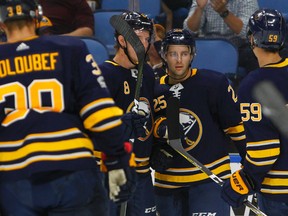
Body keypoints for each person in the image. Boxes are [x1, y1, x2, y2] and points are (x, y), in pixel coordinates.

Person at [0, 0, 136, 215]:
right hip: (72, 169)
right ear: (37, 18)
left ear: (1, 25)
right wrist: (116, 160)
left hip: (15, 180)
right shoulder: (70, 49)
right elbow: (99, 112)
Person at [150, 28, 247, 216]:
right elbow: (143, 132)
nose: (179, 60)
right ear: (164, 55)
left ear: (192, 55)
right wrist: (157, 136)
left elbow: (237, 129)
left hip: (209, 180)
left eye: (184, 53)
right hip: (167, 183)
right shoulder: (153, 88)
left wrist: (249, 172)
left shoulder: (214, 84)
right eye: (173, 54)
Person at [221, 9, 288, 216]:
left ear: (252, 38)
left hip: (279, 191)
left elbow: (264, 153)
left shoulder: (254, 84)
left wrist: (243, 181)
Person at [99, 11, 157, 216]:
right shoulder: (104, 74)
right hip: (110, 173)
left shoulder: (147, 73)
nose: (143, 44)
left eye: (146, 38)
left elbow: (153, 116)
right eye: (137, 38)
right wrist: (119, 125)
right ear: (122, 40)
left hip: (141, 173)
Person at [183, 0, 259, 75]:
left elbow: (247, 32)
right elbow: (188, 31)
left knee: (256, 54)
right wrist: (199, 9)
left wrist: (224, 12)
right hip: (208, 48)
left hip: (238, 48)